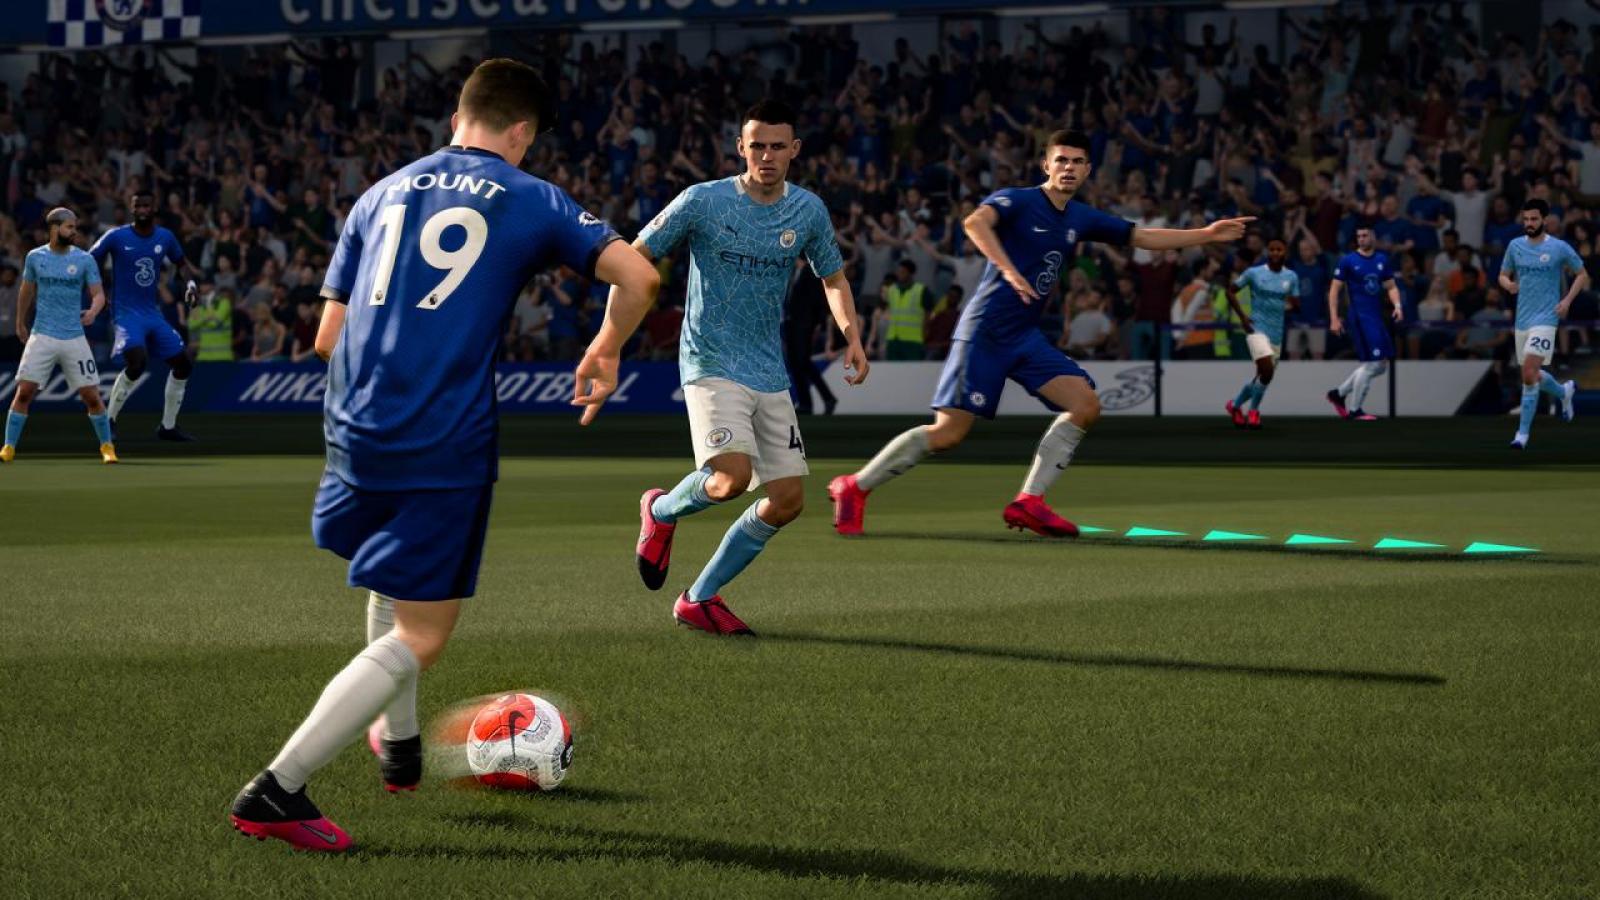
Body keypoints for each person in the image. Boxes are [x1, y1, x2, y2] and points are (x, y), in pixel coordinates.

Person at [227, 58, 660, 853]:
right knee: (423, 634)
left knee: (395, 577)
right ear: (522, 131)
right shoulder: (531, 196)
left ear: (459, 116)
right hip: (441, 436)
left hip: (352, 427)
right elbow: (638, 276)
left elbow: (326, 338)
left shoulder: (377, 194)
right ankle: (277, 790)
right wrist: (604, 349)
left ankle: (397, 740)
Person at [828, 131, 1250, 538]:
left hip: (1024, 337)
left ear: (1088, 170)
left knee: (1085, 404)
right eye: (1061, 160)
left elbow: (1141, 236)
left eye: (1077, 162)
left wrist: (1206, 234)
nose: (1068, 167)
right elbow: (975, 223)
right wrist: (1009, 270)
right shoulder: (1019, 199)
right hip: (985, 332)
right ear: (1046, 164)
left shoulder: (1081, 216)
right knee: (948, 434)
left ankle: (1029, 501)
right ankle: (855, 486)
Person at [630, 98, 870, 636]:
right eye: (756, 145)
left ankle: (698, 598)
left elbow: (833, 278)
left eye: (777, 146)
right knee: (730, 480)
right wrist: (613, 333)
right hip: (709, 358)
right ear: (740, 147)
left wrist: (852, 336)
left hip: (768, 368)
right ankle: (661, 512)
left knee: (787, 502)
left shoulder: (808, 210)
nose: (766, 155)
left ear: (794, 150)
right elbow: (634, 255)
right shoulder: (702, 201)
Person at [2, 208, 115, 464]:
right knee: (24, 392)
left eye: (75, 227)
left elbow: (99, 294)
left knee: (91, 396)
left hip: (74, 336)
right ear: (55, 228)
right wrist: (20, 322)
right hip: (42, 334)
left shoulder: (84, 259)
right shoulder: (35, 257)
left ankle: (107, 446)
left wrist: (93, 311)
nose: (74, 232)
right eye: (70, 227)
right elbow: (26, 290)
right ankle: (8, 447)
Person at [89, 190, 202, 440]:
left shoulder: (165, 236)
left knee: (183, 365)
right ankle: (108, 421)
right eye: (137, 205)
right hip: (126, 314)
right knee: (137, 362)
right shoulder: (116, 236)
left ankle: (167, 427)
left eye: (146, 205)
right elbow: (89, 260)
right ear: (131, 209)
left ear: (154, 208)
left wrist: (191, 285)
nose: (142, 209)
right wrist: (99, 291)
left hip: (152, 312)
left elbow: (181, 263)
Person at [1498, 198, 1589, 448]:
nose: (1529, 223)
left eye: (1534, 219)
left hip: (1546, 318)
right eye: (1526, 219)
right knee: (1531, 374)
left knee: (1528, 373)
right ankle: (1563, 391)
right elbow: (1502, 275)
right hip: (1522, 319)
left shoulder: (1559, 247)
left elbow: (1582, 274)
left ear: (1545, 220)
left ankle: (1522, 435)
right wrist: (1509, 285)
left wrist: (1567, 300)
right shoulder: (1515, 245)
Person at [1325, 225, 1403, 421]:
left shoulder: (1382, 259)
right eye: (1358, 236)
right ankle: (1355, 410)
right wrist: (1334, 318)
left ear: (1373, 237)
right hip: (1360, 317)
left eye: (1365, 235)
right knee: (1373, 364)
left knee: (1380, 365)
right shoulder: (1348, 260)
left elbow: (1391, 286)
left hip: (1376, 317)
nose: (1361, 239)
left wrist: (1397, 306)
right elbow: (1334, 290)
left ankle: (1339, 393)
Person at [1223, 238, 1298, 429]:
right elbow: (1230, 292)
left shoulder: (1291, 277)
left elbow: (1295, 304)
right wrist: (1243, 318)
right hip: (1256, 329)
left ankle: (1235, 405)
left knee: (1264, 377)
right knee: (1267, 371)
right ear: (1267, 252)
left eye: (1279, 249)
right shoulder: (1254, 273)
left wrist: (1289, 304)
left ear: (1285, 252)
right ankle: (1254, 412)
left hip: (1276, 333)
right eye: (1272, 249)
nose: (1275, 253)